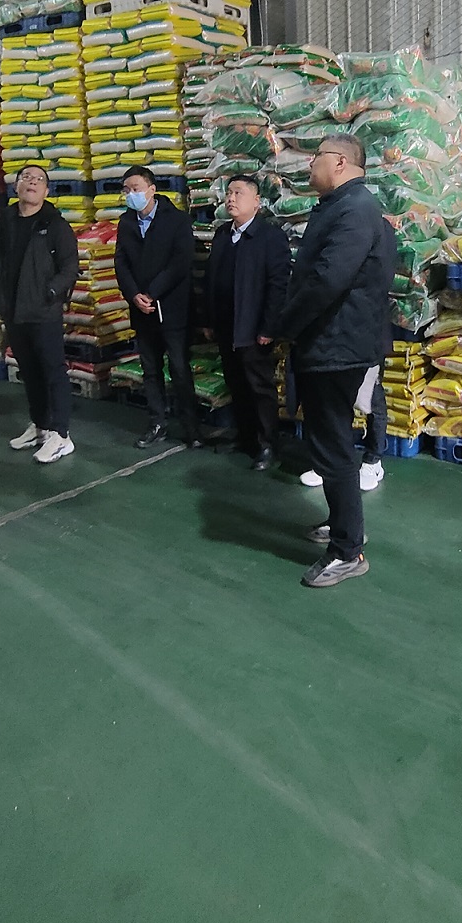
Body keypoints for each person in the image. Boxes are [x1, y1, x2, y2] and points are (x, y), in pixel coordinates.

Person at [275, 134, 393, 588]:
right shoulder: (341, 206)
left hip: (336, 347)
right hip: (329, 343)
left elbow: (327, 280)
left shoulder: (355, 209)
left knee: (334, 446)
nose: (309, 165)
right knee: (329, 442)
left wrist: (285, 325)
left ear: (340, 162)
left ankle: (347, 550)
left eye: (315, 157)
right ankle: (343, 523)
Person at [0, 164, 79, 464]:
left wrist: (51, 292)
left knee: (53, 371)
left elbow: (70, 267)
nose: (32, 183)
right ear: (16, 186)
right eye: (26, 178)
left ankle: (61, 435)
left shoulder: (55, 225)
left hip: (43, 311)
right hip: (13, 310)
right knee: (30, 372)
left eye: (39, 180)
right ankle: (40, 426)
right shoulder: (4, 222)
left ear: (46, 191)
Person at [202, 173, 291, 470]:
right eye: (229, 193)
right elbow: (211, 280)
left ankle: (268, 445)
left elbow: (278, 285)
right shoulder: (223, 234)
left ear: (256, 201)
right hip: (226, 326)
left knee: (259, 388)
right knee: (236, 384)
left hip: (253, 329)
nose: (231, 198)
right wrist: (209, 320)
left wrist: (268, 327)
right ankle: (245, 437)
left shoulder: (269, 236)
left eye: (238, 193)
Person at [115, 165, 201, 450]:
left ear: (152, 189)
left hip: (172, 308)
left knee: (179, 368)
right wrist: (134, 295)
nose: (131, 194)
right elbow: (121, 263)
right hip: (142, 310)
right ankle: (157, 423)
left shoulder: (176, 220)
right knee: (150, 370)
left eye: (136, 188)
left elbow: (180, 262)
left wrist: (152, 293)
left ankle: (191, 428)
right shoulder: (126, 223)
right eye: (126, 190)